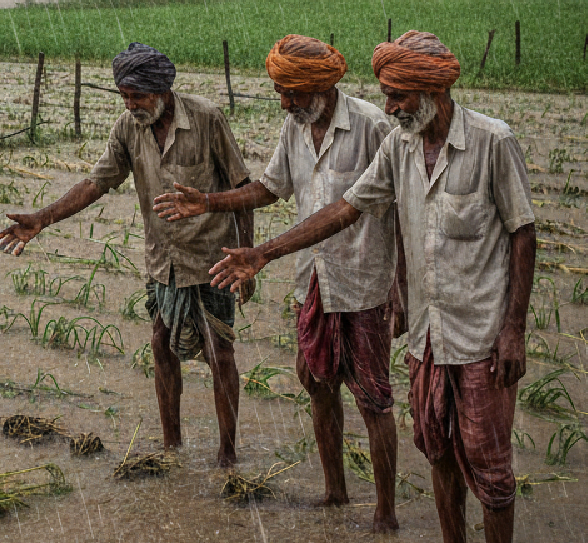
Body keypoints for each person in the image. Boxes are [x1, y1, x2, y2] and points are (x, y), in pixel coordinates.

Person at [207, 31, 535, 543]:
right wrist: (264, 253)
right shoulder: (399, 146)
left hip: (481, 335)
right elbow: (344, 209)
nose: (391, 106)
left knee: (489, 470)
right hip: (428, 336)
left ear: (434, 90)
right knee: (440, 452)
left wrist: (514, 328)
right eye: (387, 94)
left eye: (399, 95)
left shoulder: (493, 141)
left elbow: (522, 232)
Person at [152, 34, 402, 532]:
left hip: (365, 282)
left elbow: (395, 210)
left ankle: (385, 512)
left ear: (321, 86)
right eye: (279, 92)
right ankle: (334, 493)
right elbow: (269, 187)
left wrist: (403, 289)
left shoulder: (374, 127)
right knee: (318, 385)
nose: (285, 102)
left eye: (293, 92)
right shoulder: (294, 126)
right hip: (313, 279)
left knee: (373, 399)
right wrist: (209, 201)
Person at [0, 42, 254, 466]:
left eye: (138, 96)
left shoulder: (206, 118)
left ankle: (228, 452)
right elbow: (96, 184)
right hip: (162, 262)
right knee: (161, 345)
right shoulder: (127, 128)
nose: (131, 105)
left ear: (162, 89)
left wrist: (247, 257)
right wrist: (44, 218)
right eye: (124, 96)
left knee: (219, 352)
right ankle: (173, 445)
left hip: (213, 259)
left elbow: (243, 189)